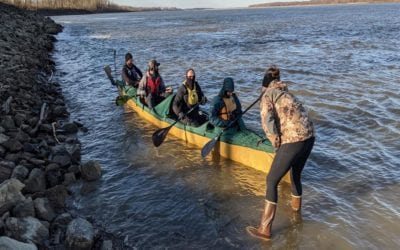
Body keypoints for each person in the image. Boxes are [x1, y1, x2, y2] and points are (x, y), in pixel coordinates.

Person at [246, 65, 315, 241]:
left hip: (294, 139)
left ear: (264, 85)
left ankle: (265, 229)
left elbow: (267, 123)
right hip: (310, 137)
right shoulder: (286, 92)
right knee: (296, 174)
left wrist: (276, 143)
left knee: (271, 180)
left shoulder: (267, 95)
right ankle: (296, 213)